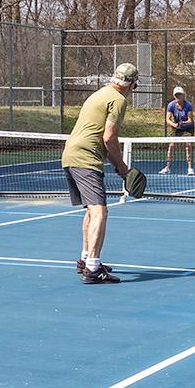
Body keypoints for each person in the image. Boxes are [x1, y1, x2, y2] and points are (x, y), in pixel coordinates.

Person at [61, 62, 139, 284]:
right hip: (86, 157)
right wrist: (122, 168)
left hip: (70, 154)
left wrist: (116, 165)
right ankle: (93, 269)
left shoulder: (99, 94)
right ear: (132, 85)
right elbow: (109, 138)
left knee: (90, 211)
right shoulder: (118, 100)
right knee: (100, 212)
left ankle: (85, 259)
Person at [160, 85, 195, 175]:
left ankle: (190, 168)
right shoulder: (171, 105)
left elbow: (190, 120)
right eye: (176, 95)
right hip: (176, 127)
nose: (178, 97)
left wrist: (183, 124)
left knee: (188, 146)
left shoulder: (188, 105)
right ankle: (167, 167)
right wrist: (175, 125)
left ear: (183, 95)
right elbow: (168, 119)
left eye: (180, 94)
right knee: (171, 146)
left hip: (188, 127)